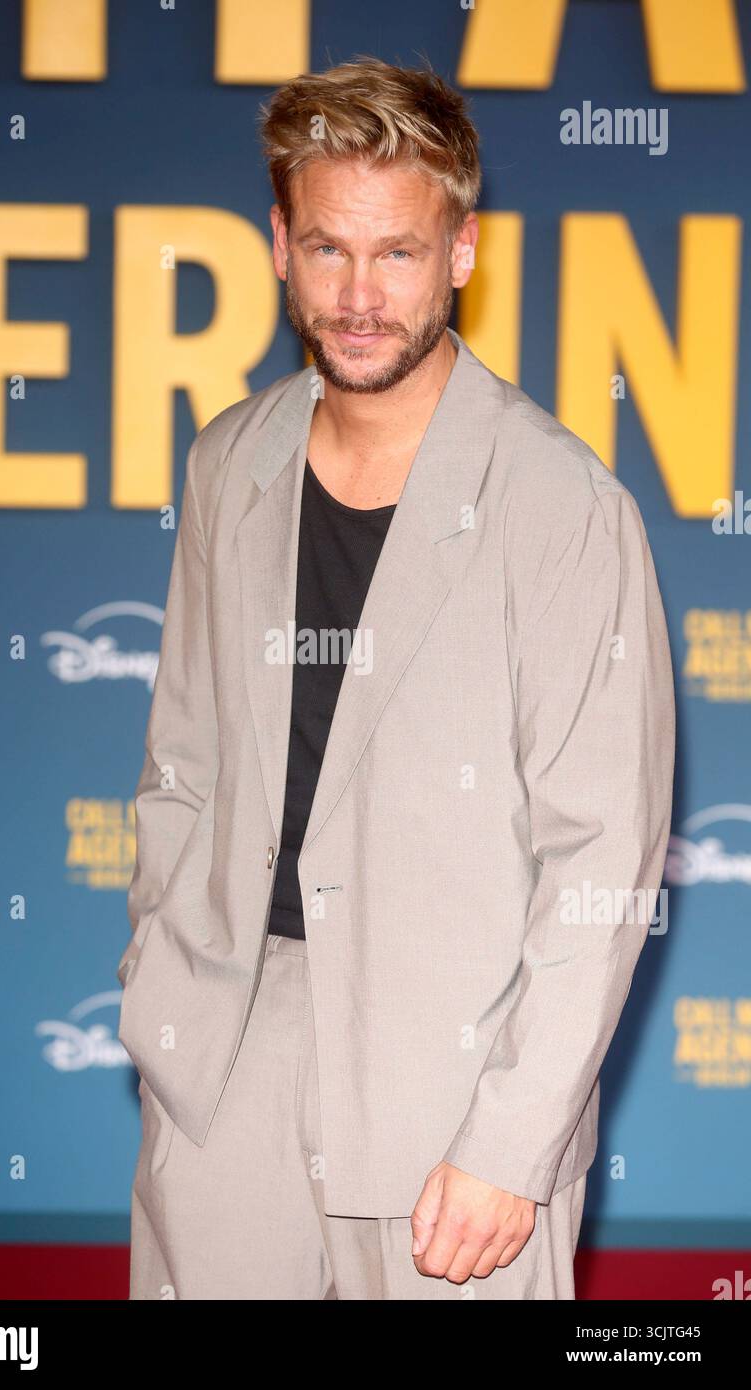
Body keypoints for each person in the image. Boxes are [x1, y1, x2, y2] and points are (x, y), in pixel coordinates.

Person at [117, 57, 675, 1300]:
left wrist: (511, 1140)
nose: (359, 296)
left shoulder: (564, 505)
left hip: (455, 1082)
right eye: (327, 249)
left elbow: (604, 860)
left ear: (463, 252)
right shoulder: (228, 463)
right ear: (277, 244)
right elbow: (184, 762)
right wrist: (159, 991)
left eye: (399, 255)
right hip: (224, 1069)